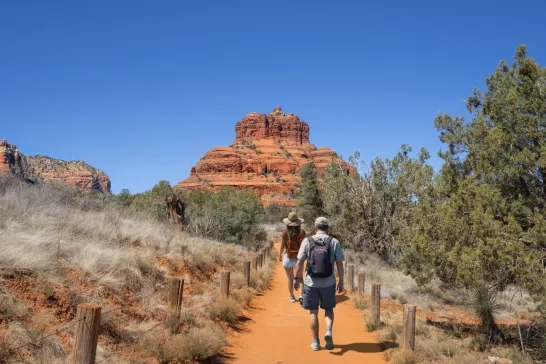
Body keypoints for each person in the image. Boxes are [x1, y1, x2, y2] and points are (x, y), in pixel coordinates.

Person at [293, 217, 345, 351]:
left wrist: (296, 278)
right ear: (327, 228)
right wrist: (341, 281)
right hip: (329, 282)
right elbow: (339, 263)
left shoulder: (307, 241)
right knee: (328, 310)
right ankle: (328, 331)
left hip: (311, 283)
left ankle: (316, 342)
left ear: (315, 228)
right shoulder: (334, 242)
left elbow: (299, 262)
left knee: (313, 312)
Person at [279, 212, 307, 303]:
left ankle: (291, 296)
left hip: (288, 257)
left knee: (290, 278)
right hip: (299, 257)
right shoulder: (302, 232)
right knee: (300, 277)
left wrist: (280, 255)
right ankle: (301, 295)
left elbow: (282, 246)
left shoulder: (284, 233)